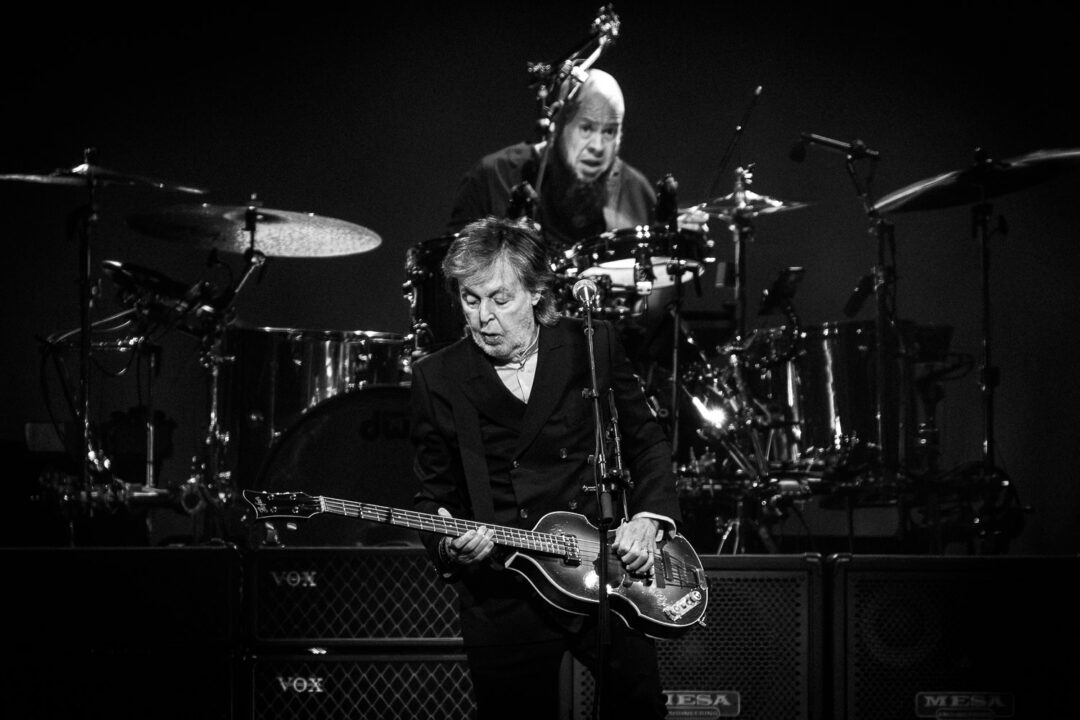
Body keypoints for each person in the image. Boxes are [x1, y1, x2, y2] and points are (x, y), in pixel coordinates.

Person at [409, 216, 682, 719]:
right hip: (504, 589)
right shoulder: (437, 376)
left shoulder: (591, 344)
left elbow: (647, 442)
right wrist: (449, 541)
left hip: (602, 570)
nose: (483, 318)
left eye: (499, 298)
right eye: (470, 300)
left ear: (535, 292)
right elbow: (432, 496)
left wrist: (648, 519)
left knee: (640, 709)